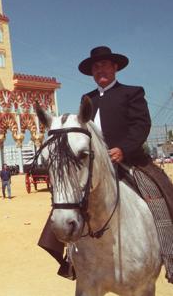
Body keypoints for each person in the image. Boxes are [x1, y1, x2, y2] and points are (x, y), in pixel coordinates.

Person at [39, 46, 173, 282]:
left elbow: (141, 125)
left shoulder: (132, 93)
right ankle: (70, 258)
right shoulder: (87, 100)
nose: (100, 69)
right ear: (92, 72)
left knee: (163, 191)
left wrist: (124, 149)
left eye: (105, 65)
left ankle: (169, 254)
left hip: (130, 160)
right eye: (96, 66)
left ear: (115, 68)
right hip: (95, 163)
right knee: (68, 197)